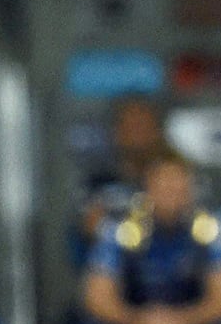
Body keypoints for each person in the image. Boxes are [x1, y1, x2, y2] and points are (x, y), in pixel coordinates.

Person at [69, 150, 221, 324]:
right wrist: (141, 322)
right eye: (163, 186)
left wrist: (180, 321)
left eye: (178, 186)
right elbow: (97, 299)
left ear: (191, 190)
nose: (170, 194)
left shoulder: (213, 231)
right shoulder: (120, 230)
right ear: (147, 189)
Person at [70, 96, 171, 266]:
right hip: (113, 273)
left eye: (144, 127)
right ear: (116, 132)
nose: (138, 135)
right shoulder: (96, 183)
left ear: (157, 132)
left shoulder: (175, 177)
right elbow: (90, 227)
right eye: (131, 127)